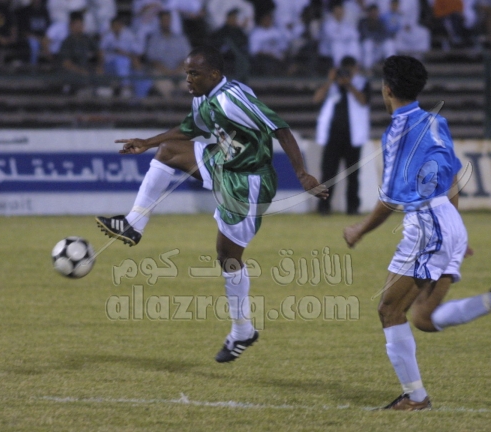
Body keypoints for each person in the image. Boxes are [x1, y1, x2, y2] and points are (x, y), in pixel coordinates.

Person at [96, 46, 328, 363]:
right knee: (167, 150)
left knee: (228, 257)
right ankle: (134, 223)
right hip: (222, 162)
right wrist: (147, 142)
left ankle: (242, 331)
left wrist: (301, 173)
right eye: (186, 73)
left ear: (214, 74)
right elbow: (190, 129)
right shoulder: (203, 96)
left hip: (247, 182)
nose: (187, 80)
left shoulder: (233, 99)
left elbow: (281, 129)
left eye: (194, 73)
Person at [343, 55, 491, 411]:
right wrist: (455, 230)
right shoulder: (436, 121)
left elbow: (390, 199)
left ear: (387, 90)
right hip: (447, 220)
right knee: (424, 318)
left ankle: (415, 398)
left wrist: (360, 229)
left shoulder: (397, 132)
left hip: (427, 227)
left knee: (389, 310)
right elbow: (451, 179)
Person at [314, 55, 370, 216]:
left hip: (353, 136)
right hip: (332, 135)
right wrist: (330, 81)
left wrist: (349, 84)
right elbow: (316, 99)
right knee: (328, 172)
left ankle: (353, 207)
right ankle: (324, 207)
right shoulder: (332, 85)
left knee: (353, 174)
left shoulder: (362, 83)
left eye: (349, 69)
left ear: (356, 69)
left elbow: (363, 101)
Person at [145, 10, 191, 99]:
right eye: (164, 20)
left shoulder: (180, 38)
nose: (166, 22)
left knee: (188, 82)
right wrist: (167, 72)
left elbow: (187, 58)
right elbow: (153, 60)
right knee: (165, 86)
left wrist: (176, 71)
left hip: (180, 69)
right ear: (159, 21)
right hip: (161, 70)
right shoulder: (153, 39)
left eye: (168, 20)